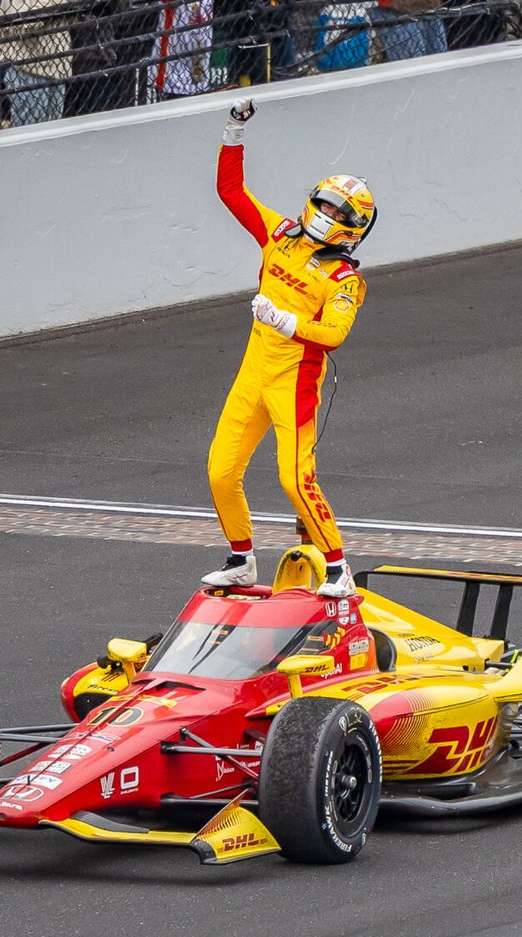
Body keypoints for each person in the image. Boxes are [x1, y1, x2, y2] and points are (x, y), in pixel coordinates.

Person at [204, 98, 376, 599]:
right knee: (220, 471)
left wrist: (285, 320)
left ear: (353, 225)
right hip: (252, 374)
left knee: (294, 480)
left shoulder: (344, 278)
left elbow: (335, 335)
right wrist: (233, 130)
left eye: (336, 211)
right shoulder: (279, 235)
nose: (324, 213)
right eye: (321, 203)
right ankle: (241, 560)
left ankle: (339, 567)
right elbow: (230, 191)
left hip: (294, 382)